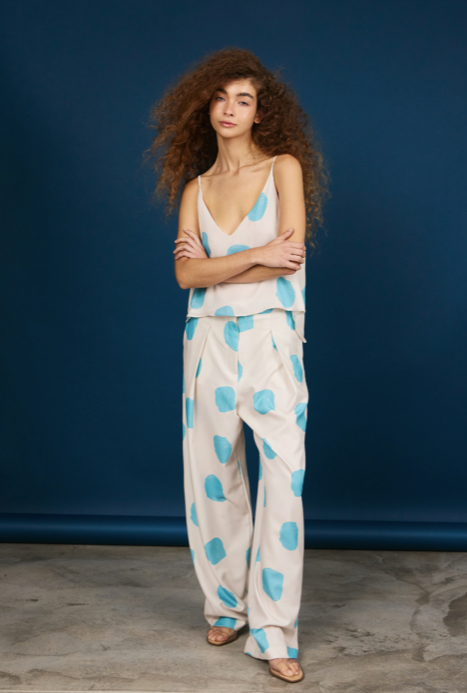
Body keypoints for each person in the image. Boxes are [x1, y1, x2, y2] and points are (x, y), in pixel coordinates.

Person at [148, 47, 329, 684]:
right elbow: (183, 277)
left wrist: (216, 268)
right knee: (212, 479)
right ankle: (228, 606)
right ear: (206, 107)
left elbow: (290, 259)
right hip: (207, 344)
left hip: (272, 340)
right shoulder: (195, 190)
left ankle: (275, 630)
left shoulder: (284, 169)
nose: (230, 109)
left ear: (260, 113)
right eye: (221, 97)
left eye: (244, 99)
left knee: (283, 479)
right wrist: (255, 255)